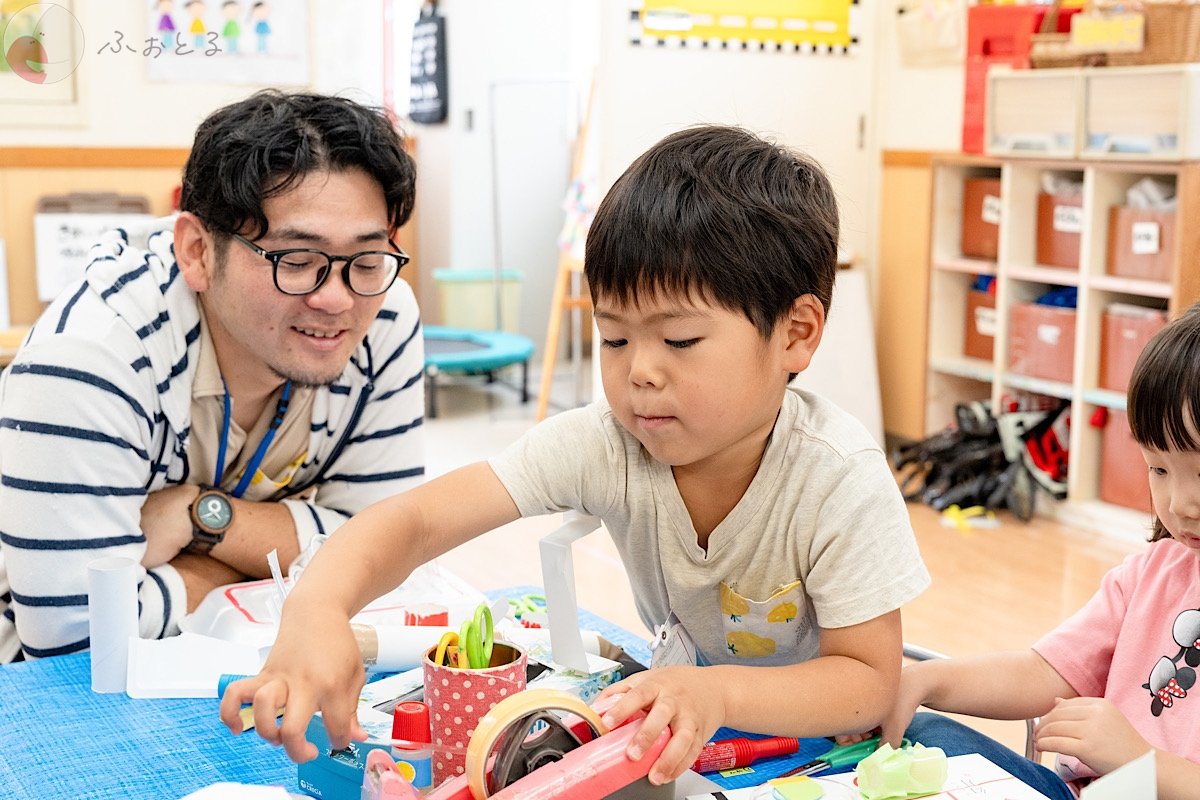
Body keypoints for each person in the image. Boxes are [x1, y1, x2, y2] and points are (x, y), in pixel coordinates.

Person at [219, 125, 930, 785]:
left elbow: (867, 678)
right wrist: (316, 608)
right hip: (686, 726)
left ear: (796, 335)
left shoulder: (836, 477)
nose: (639, 372)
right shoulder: (611, 442)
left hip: (828, 755)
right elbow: (417, 522)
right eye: (615, 338)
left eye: (678, 341)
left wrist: (717, 690)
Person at [0, 90, 426, 664]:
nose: (336, 298)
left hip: (236, 664)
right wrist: (273, 577)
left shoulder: (385, 313)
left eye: (367, 260)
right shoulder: (90, 357)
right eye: (296, 260)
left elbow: (385, 557)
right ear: (198, 251)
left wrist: (202, 519)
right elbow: (80, 643)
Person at [872, 303, 1200, 800]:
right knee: (927, 734)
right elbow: (1048, 670)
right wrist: (926, 681)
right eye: (1158, 469)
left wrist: (1140, 760)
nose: (1179, 504)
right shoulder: (1154, 571)